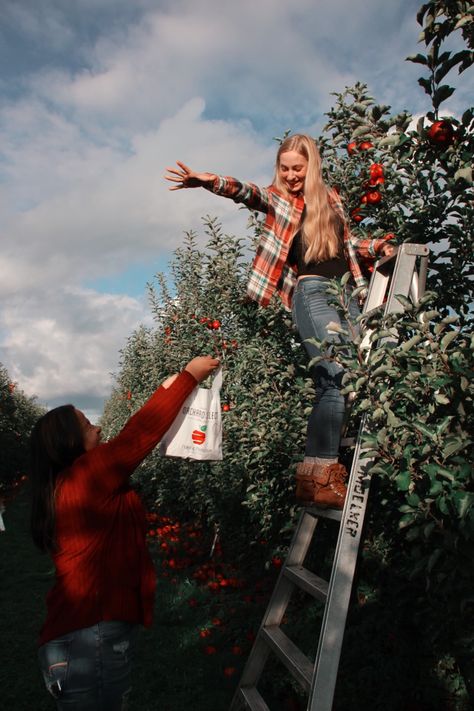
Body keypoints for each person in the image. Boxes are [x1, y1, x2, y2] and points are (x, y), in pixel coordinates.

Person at [165, 133, 394, 509]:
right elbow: (249, 192)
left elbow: (349, 246)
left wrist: (381, 246)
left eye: (297, 168)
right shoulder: (279, 198)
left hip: (348, 294)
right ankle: (320, 474)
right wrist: (211, 182)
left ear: (312, 166)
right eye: (284, 168)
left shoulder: (332, 199)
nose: (290, 175)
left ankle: (319, 475)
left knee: (358, 379)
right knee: (334, 377)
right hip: (312, 293)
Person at [30, 355, 220, 710]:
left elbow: (130, 434)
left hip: (81, 638)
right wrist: (189, 377)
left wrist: (168, 388)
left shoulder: (70, 483)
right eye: (88, 426)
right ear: (69, 441)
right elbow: (138, 435)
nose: (98, 429)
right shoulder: (86, 477)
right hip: (89, 638)